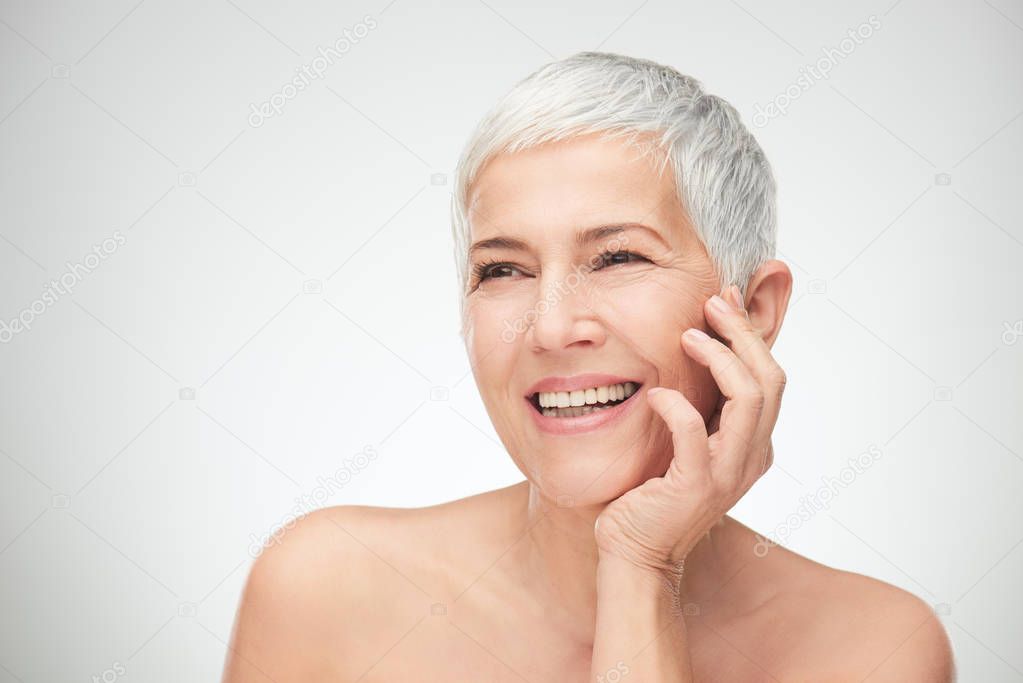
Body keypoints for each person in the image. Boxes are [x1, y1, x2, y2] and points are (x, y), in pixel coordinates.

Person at [222, 51, 955, 681]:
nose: (550, 326)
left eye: (617, 257)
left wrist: (639, 565)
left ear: (753, 310)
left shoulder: (871, 647)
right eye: (503, 269)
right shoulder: (325, 585)